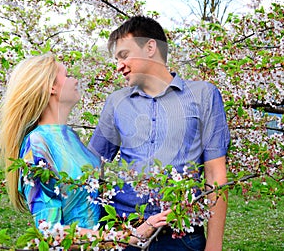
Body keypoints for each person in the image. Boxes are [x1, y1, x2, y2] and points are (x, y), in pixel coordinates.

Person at [88, 16, 230, 250]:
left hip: (181, 237)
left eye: (124, 55)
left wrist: (214, 244)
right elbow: (91, 165)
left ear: (150, 47)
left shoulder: (204, 95)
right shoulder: (117, 102)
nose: (118, 66)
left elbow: (215, 174)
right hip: (126, 234)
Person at [0, 53, 169, 244]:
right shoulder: (38, 145)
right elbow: (50, 231)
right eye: (67, 75)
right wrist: (131, 236)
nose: (75, 80)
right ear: (51, 87)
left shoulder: (69, 135)